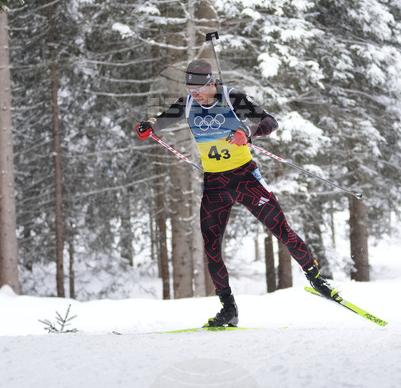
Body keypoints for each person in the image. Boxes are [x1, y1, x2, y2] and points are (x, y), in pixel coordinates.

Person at [137, 58, 337, 327]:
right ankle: (228, 308)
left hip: (245, 179)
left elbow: (270, 121)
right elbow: (162, 120)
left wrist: (248, 130)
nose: (195, 94)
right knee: (211, 247)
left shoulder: (232, 98)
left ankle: (316, 278)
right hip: (215, 184)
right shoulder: (188, 104)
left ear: (211, 83)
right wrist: (148, 126)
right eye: (190, 89)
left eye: (198, 89)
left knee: (281, 229)